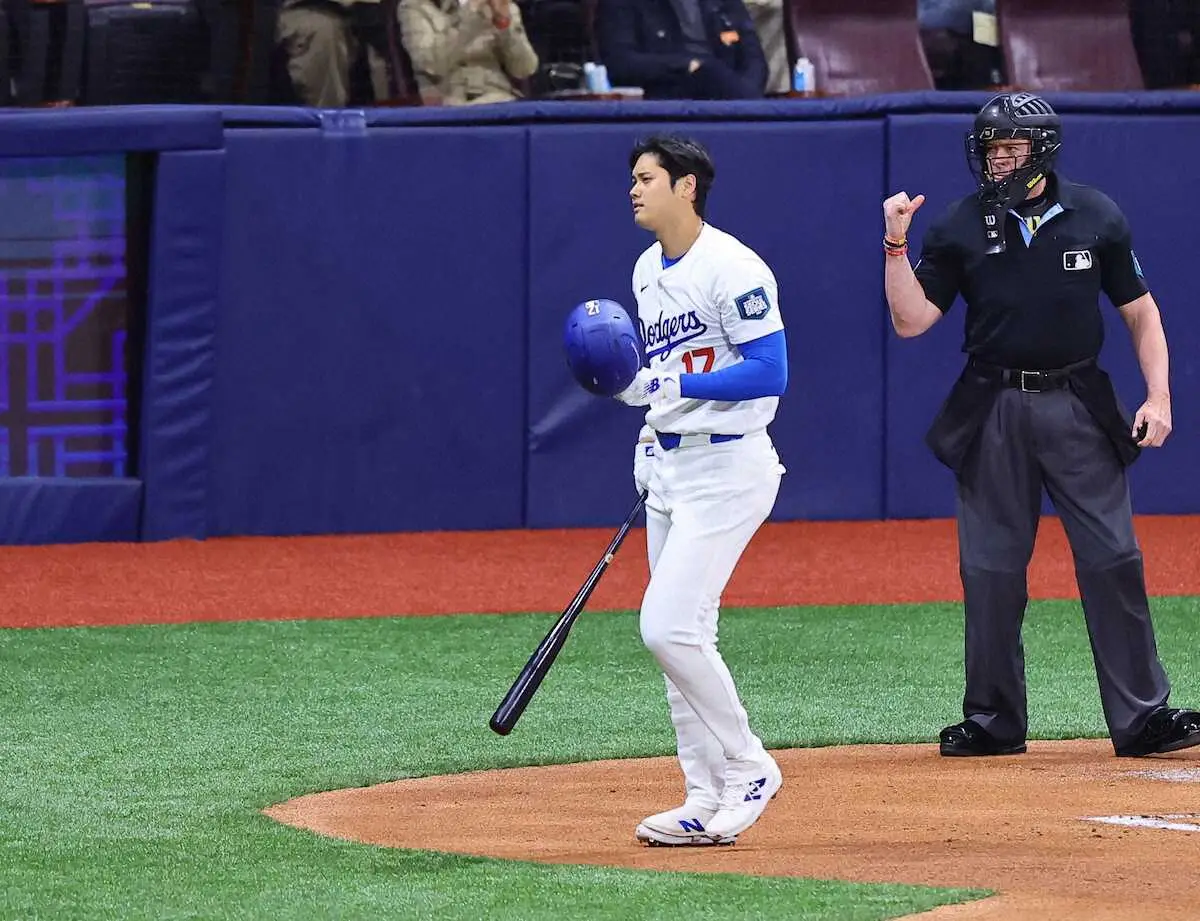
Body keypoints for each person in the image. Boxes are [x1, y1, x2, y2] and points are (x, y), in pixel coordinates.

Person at [882, 92, 1200, 759]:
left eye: (1010, 147)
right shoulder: (959, 223)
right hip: (992, 404)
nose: (997, 159)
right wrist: (895, 244)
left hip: (1078, 401)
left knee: (1114, 557)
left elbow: (1141, 312)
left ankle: (1144, 718)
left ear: (1041, 150)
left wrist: (1160, 396)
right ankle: (993, 720)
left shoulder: (1096, 214)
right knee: (990, 569)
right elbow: (911, 321)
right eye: (989, 148)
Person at [613, 135, 787, 845]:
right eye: (632, 178)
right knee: (683, 637)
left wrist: (675, 384)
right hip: (670, 465)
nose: (633, 189)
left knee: (666, 627)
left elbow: (771, 369)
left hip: (729, 468)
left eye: (646, 177)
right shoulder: (645, 269)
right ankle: (702, 794)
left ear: (686, 186)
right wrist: (649, 423)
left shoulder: (732, 266)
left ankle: (749, 765)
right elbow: (662, 372)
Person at [595, 0, 767, 101]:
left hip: (730, 96)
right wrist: (686, 65)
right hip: (670, 97)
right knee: (709, 70)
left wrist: (747, 93)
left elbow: (754, 58)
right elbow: (620, 63)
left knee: (715, 73)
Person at [399, 0, 539, 106]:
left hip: (501, 99)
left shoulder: (500, 5)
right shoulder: (415, 7)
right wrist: (470, 18)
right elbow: (430, 63)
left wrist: (505, 25)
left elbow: (525, 69)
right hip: (451, 103)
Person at [277, 0, 391, 108]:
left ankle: (390, 115)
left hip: (366, 10)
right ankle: (324, 116)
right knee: (325, 31)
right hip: (299, 9)